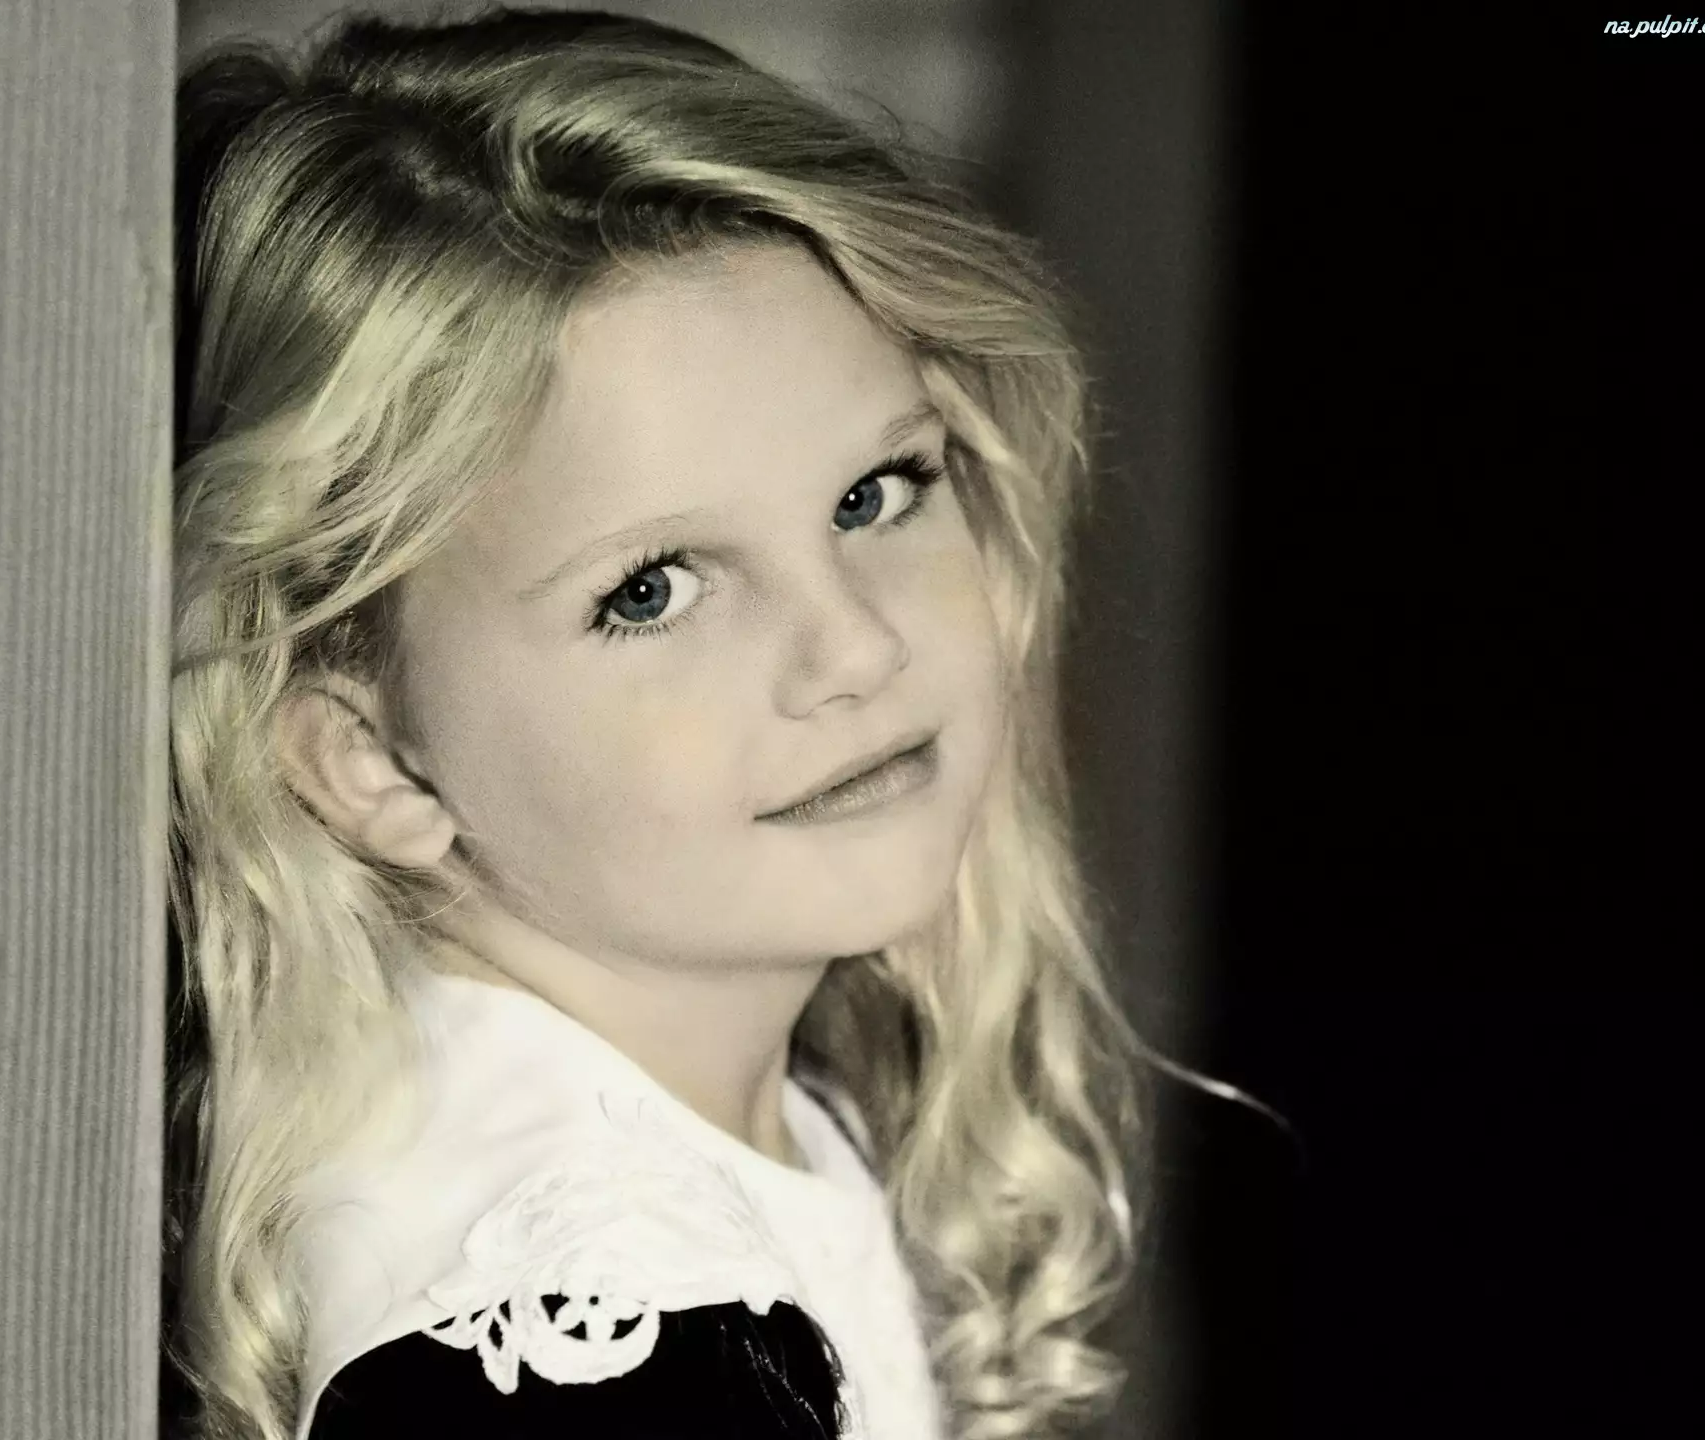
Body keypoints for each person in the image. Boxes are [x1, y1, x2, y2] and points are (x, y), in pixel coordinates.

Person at [164, 7, 1251, 1438]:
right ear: (370, 758)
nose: (855, 645)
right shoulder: (606, 1335)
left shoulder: (700, 1132)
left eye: (874, 496)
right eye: (655, 590)